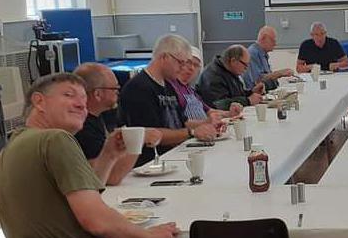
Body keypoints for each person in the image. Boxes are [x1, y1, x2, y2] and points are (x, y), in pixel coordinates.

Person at [0, 73, 183, 238]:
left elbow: (86, 196)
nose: (81, 106)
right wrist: (149, 236)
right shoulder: (56, 139)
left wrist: (110, 154)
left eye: (85, 102)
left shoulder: (12, 147)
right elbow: (95, 220)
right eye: (69, 95)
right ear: (39, 101)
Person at [119, 34, 222, 166]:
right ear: (164, 57)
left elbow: (182, 122)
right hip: (151, 163)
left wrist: (207, 124)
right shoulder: (139, 88)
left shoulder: (169, 85)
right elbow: (152, 134)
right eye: (181, 62)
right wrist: (193, 132)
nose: (183, 67)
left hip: (174, 155)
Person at [73, 63, 163, 185]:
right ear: (97, 94)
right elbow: (112, 177)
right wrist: (139, 139)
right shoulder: (82, 128)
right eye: (115, 89)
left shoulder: (97, 117)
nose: (118, 93)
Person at [169, 46, 243, 122]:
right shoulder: (171, 89)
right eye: (188, 62)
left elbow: (208, 111)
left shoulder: (191, 91)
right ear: (180, 63)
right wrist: (206, 122)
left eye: (196, 65)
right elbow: (178, 123)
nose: (192, 68)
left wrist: (230, 113)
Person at [197, 44, 265, 110]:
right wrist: (248, 101)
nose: (246, 69)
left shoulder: (230, 71)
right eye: (245, 65)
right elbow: (219, 104)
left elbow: (236, 94)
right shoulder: (213, 75)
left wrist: (251, 92)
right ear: (233, 61)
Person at [242, 26, 294, 91]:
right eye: (272, 40)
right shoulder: (252, 53)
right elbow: (257, 80)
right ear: (263, 38)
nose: (275, 44)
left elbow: (267, 75)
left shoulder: (263, 54)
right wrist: (280, 73)